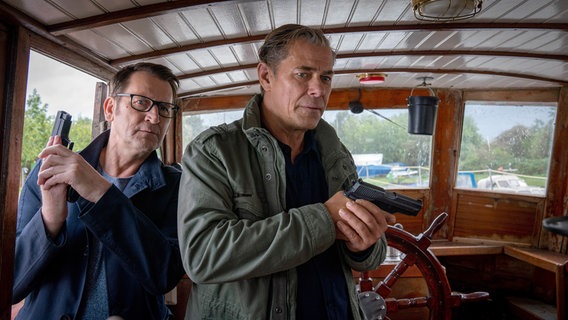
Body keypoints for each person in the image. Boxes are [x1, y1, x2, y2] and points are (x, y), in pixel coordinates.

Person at [177, 24, 396, 319]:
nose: (318, 89)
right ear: (266, 76)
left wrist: (364, 245)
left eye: (326, 77)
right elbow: (203, 255)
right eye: (303, 74)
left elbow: (370, 257)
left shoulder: (335, 152)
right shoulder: (213, 151)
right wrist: (324, 218)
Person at [13, 62, 186, 320]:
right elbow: (12, 283)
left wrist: (100, 192)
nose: (154, 117)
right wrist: (49, 219)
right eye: (141, 102)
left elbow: (165, 275)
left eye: (164, 108)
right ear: (110, 109)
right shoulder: (51, 170)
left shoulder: (178, 187)